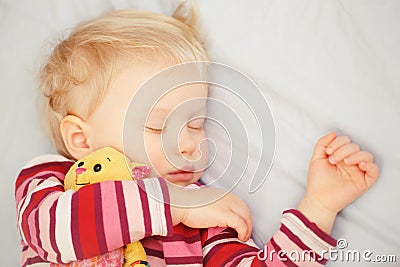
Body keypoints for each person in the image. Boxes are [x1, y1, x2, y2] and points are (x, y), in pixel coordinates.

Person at [15, 4, 379, 267]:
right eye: (160, 126)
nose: (190, 145)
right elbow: (53, 232)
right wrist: (173, 204)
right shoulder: (52, 180)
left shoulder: (208, 209)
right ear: (81, 140)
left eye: (196, 123)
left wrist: (319, 207)